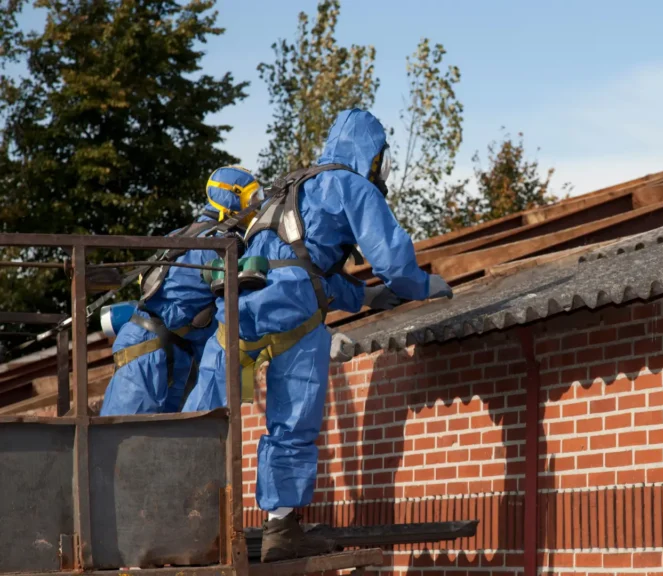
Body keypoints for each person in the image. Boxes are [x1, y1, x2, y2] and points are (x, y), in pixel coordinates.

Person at [183, 109, 453, 562]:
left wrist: (364, 297)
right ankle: (282, 528)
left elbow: (299, 265)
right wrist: (422, 285)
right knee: (292, 420)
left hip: (237, 311)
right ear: (373, 155)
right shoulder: (352, 185)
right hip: (295, 316)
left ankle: (176, 515)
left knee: (201, 420)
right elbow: (393, 262)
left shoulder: (292, 188)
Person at [99, 166, 263, 415]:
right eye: (252, 197)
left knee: (164, 444)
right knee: (123, 440)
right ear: (232, 196)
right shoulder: (223, 246)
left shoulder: (186, 234)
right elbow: (239, 309)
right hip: (149, 348)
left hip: (169, 350)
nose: (256, 205)